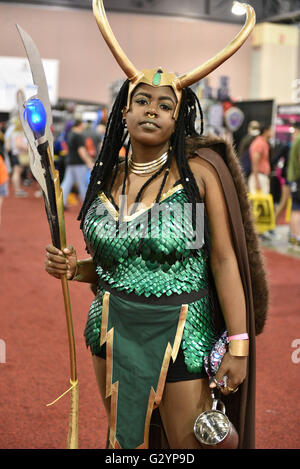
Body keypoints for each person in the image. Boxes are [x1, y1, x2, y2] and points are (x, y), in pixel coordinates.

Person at [44, 1, 267, 450]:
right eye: (141, 100)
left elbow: (223, 260)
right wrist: (74, 268)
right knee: (126, 440)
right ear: (123, 112)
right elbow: (112, 264)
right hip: (109, 325)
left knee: (194, 442)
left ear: (177, 117)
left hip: (182, 329)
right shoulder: (106, 177)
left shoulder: (198, 177)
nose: (152, 110)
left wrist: (239, 344)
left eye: (165, 105)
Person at [61, 118, 95, 208]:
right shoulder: (78, 135)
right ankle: (87, 206)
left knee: (67, 183)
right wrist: (89, 162)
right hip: (79, 163)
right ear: (80, 124)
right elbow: (81, 151)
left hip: (70, 162)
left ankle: (60, 202)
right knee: (82, 184)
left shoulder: (70, 134)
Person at [248, 124, 273, 194]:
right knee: (258, 204)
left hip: (262, 176)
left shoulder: (264, 143)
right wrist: (256, 180)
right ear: (265, 132)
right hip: (259, 176)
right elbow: (255, 161)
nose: (272, 132)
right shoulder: (259, 143)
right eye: (270, 130)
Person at [287, 123, 300, 249]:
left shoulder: (296, 140)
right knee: (297, 208)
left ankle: (292, 235)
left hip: (293, 178)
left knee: (294, 208)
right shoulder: (299, 140)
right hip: (297, 178)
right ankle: (297, 237)